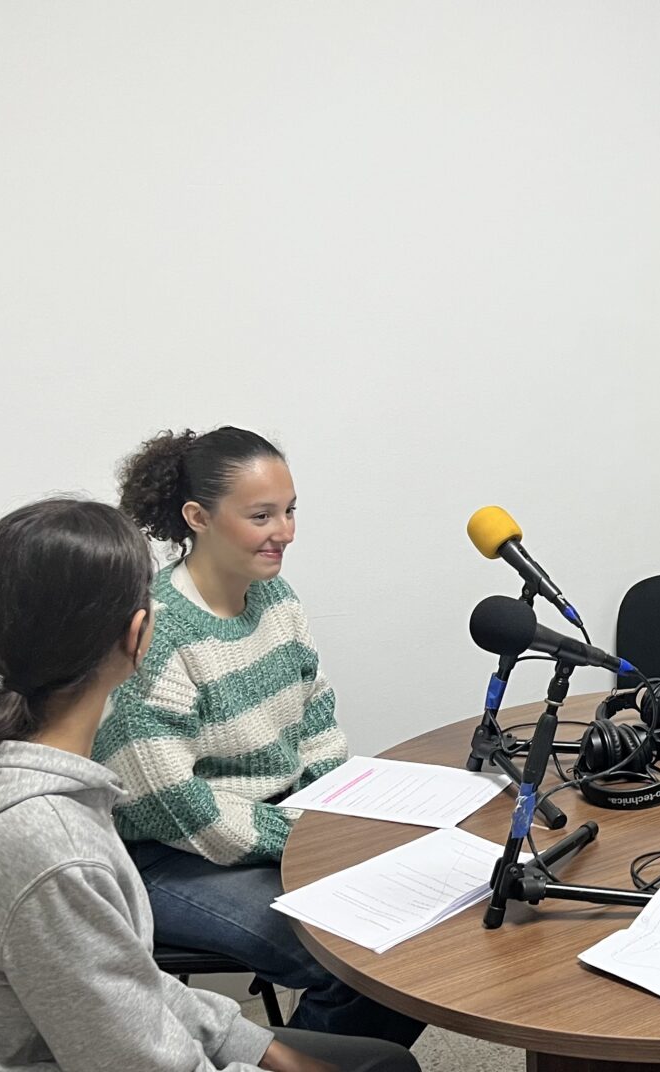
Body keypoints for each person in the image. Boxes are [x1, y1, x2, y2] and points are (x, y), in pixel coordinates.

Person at [0, 498, 417, 1072]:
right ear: (139, 633)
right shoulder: (51, 846)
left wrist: (264, 1049)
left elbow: (130, 985)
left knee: (380, 1060)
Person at [98, 428, 423, 1046]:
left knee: (412, 934)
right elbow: (174, 804)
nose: (286, 532)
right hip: (169, 854)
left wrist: (332, 817)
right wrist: (305, 839)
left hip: (279, 826)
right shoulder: (158, 631)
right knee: (354, 964)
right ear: (198, 518)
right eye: (261, 516)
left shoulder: (275, 597)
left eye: (290, 510)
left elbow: (316, 718)